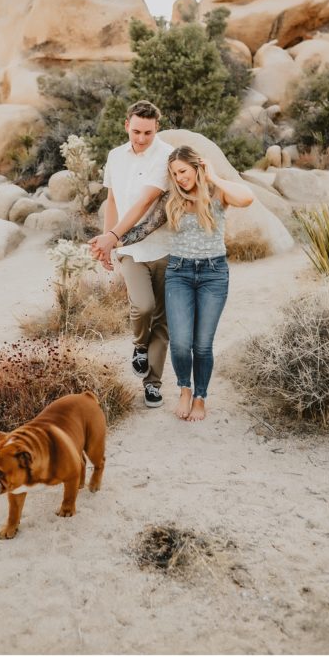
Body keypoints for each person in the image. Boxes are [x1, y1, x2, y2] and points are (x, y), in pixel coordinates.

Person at [117, 145, 254, 421]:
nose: (179, 178)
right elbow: (144, 229)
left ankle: (201, 397)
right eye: (174, 173)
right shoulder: (172, 199)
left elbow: (247, 198)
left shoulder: (217, 193)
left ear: (196, 167)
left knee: (202, 344)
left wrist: (213, 176)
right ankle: (184, 390)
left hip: (213, 275)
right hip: (179, 273)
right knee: (180, 343)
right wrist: (113, 241)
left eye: (183, 171)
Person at [89, 100, 173, 408]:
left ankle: (153, 383)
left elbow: (143, 202)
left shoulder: (165, 155)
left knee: (163, 321)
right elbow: (112, 200)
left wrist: (111, 237)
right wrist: (107, 241)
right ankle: (139, 346)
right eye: (136, 131)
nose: (141, 138)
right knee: (143, 305)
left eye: (147, 133)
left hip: (165, 247)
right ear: (127, 125)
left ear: (157, 129)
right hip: (130, 248)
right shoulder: (115, 156)